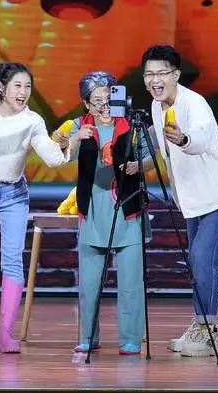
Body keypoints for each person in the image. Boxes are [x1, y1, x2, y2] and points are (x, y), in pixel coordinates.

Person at [0, 62, 80, 354]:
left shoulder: (32, 121)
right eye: (18, 86)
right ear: (1, 87)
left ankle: (7, 335)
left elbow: (53, 159)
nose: (24, 92)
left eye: (28, 86)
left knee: (12, 261)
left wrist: (72, 141)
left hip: (14, 196)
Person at [142, 44, 218, 359]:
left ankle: (208, 333)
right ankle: (199, 325)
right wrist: (135, 166)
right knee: (197, 262)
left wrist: (183, 139)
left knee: (202, 258)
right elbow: (161, 151)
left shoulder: (195, 103)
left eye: (161, 73)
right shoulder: (156, 106)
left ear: (176, 75)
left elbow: (199, 138)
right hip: (191, 200)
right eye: (149, 74)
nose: (155, 80)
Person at [53, 71, 152, 355]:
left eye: (109, 99)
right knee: (90, 282)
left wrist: (137, 166)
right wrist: (74, 139)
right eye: (97, 101)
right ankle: (88, 336)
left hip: (127, 210)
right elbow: (58, 152)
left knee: (131, 282)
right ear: (86, 103)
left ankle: (130, 338)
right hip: (94, 210)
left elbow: (149, 158)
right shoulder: (78, 125)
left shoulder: (131, 124)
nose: (105, 106)